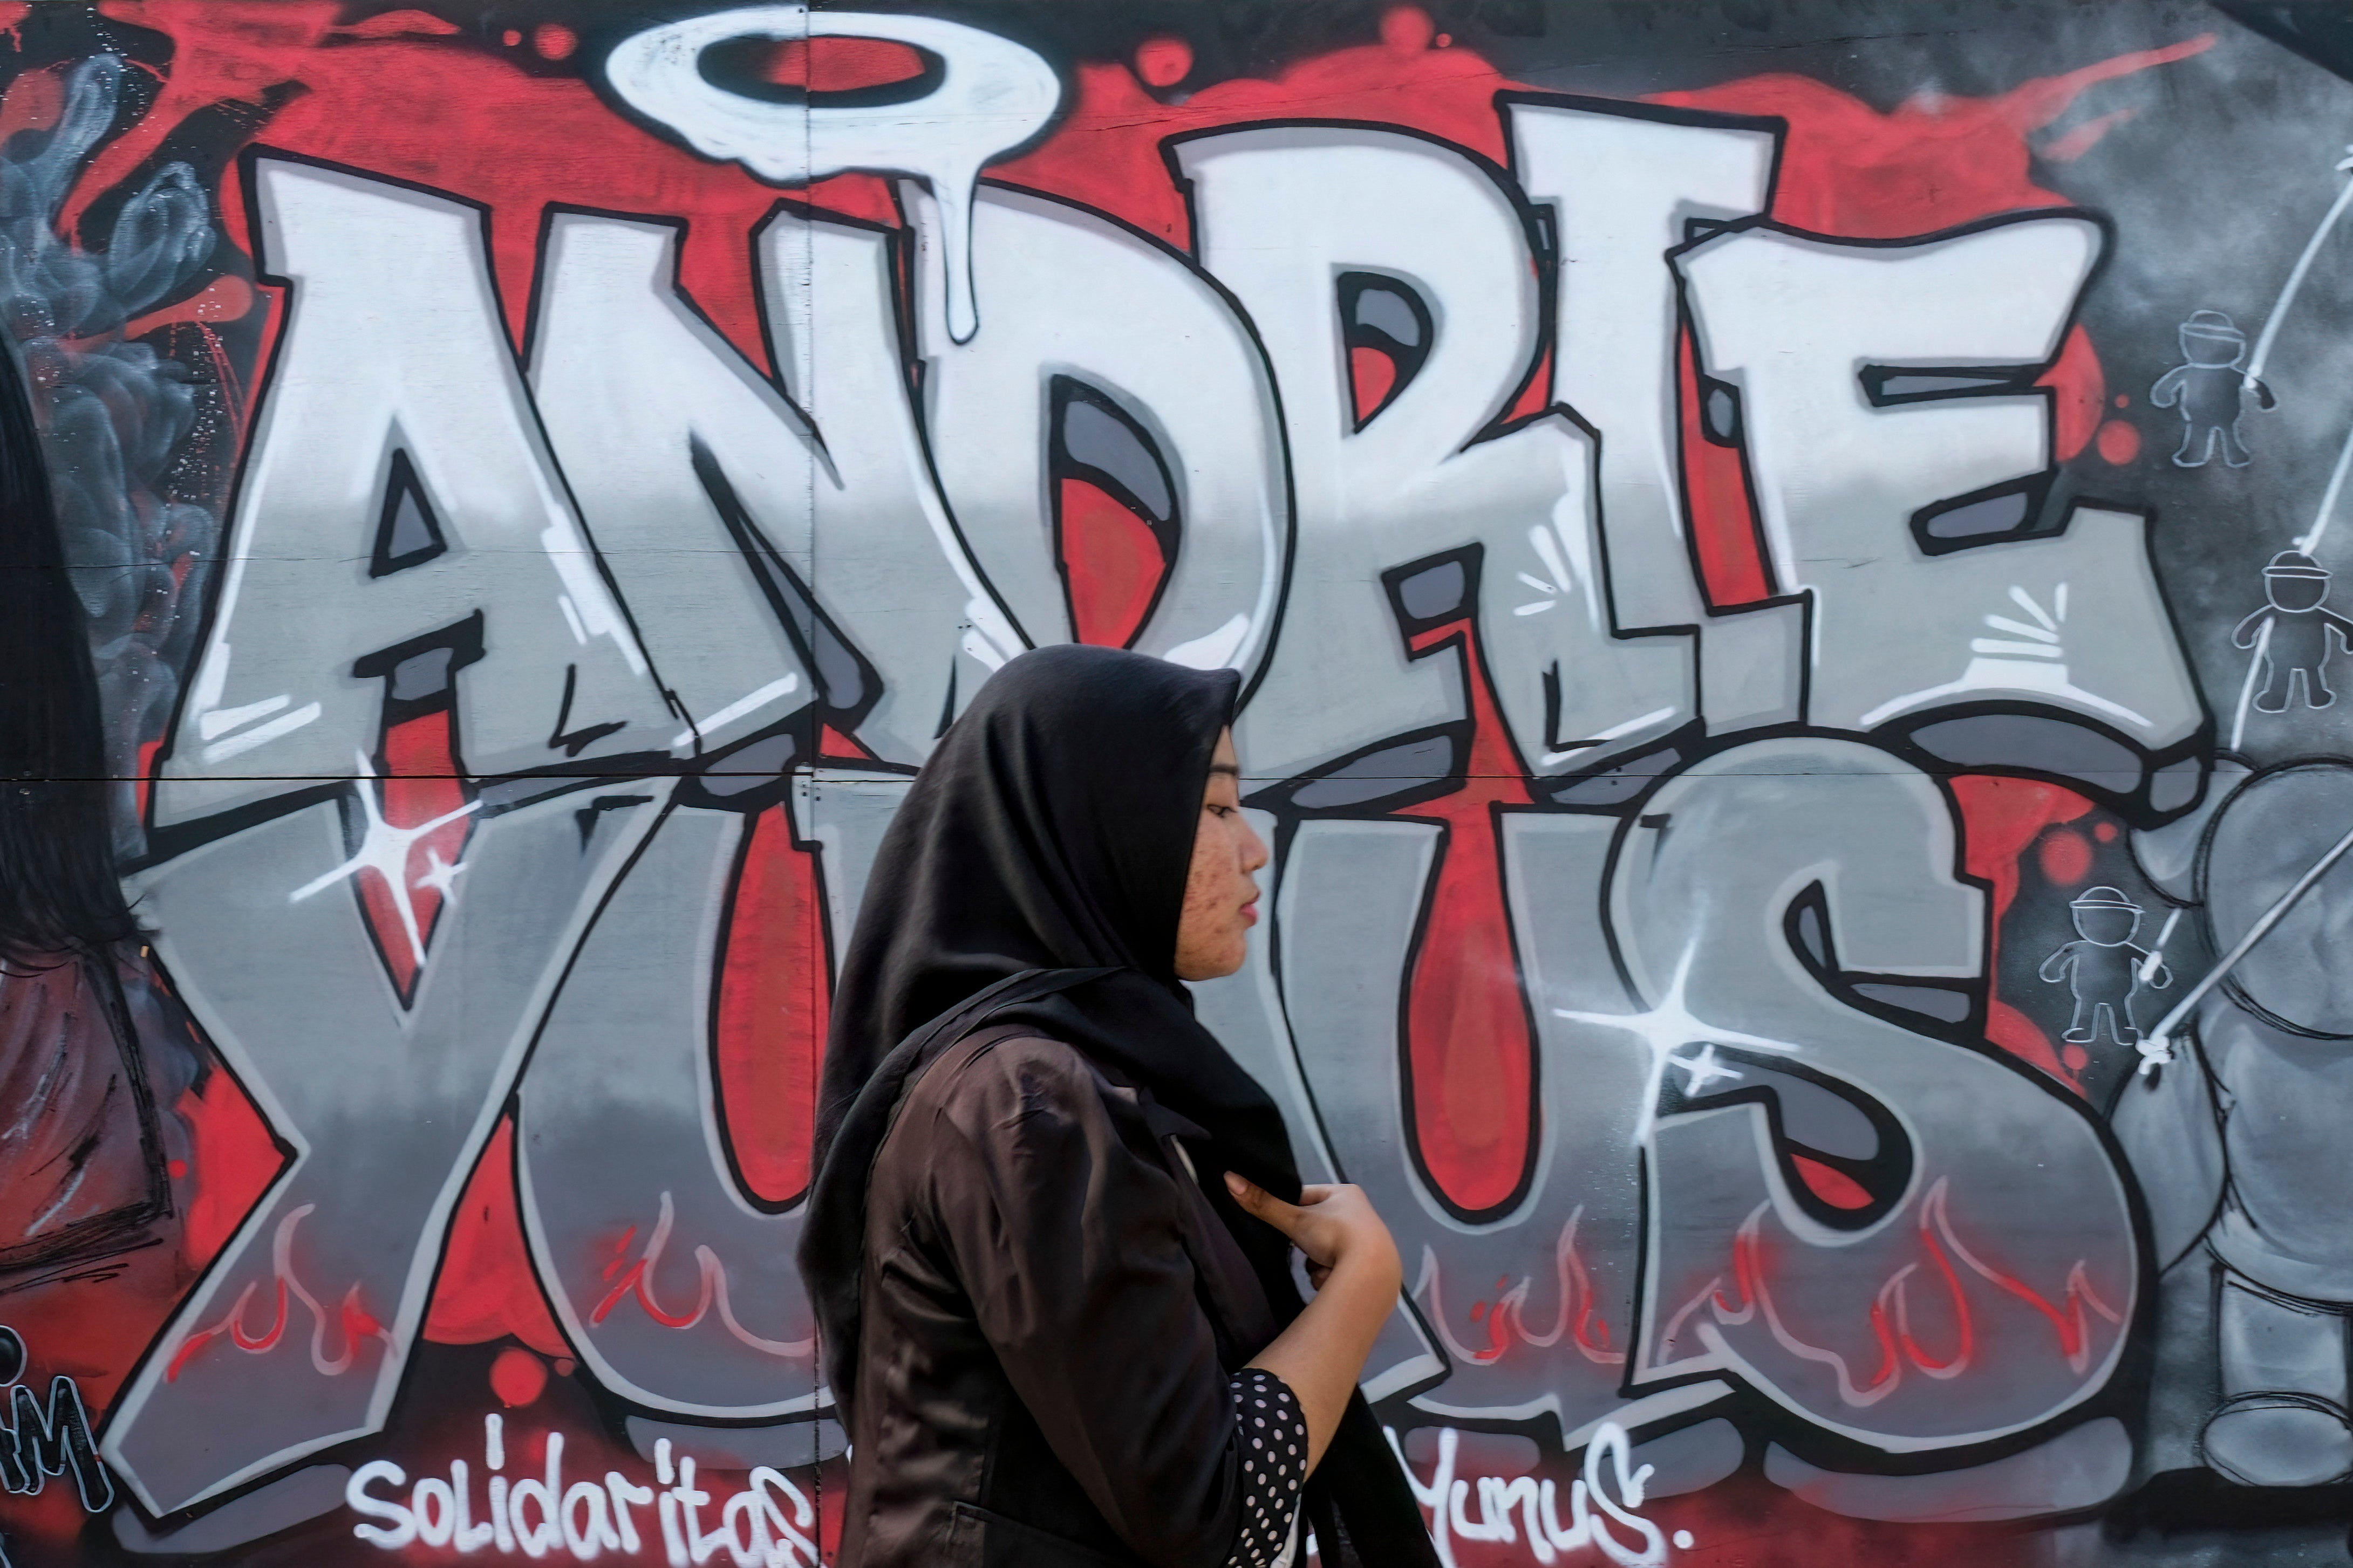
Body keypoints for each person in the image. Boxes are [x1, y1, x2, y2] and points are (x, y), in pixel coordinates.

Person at [800, 644, 1437, 1568]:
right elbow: (1207, 1515)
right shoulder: (1029, 1104)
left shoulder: (1070, 1083)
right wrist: (1361, 1287)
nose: (1254, 845)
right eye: (1216, 806)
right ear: (1095, 826)